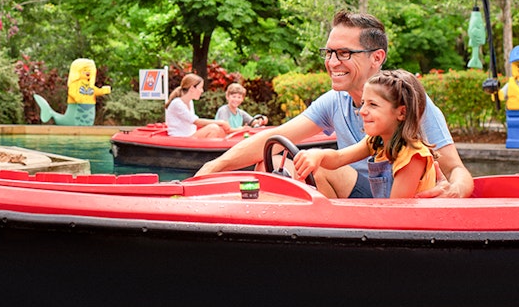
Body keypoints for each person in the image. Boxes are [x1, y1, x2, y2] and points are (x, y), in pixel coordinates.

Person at [195, 10, 473, 199]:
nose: (331, 62)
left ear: (376, 58)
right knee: (270, 165)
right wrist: (212, 168)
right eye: (328, 53)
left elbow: (457, 170)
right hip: (363, 201)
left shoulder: (408, 103)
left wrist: (455, 191)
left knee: (317, 167)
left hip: (404, 207)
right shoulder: (334, 102)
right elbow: (273, 138)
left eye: (343, 53)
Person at [293, 70, 438, 198]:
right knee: (318, 168)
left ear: (401, 112)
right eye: (363, 103)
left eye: (373, 105)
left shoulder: (412, 156)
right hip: (384, 215)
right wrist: (317, 155)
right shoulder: (376, 142)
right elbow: (339, 158)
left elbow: (396, 213)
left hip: (403, 223)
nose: (362, 111)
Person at [165, 73, 233, 139]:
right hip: (180, 139)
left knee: (220, 130)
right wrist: (221, 122)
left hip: (189, 137)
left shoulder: (190, 102)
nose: (202, 91)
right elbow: (196, 121)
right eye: (200, 88)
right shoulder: (177, 103)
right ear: (192, 88)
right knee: (213, 128)